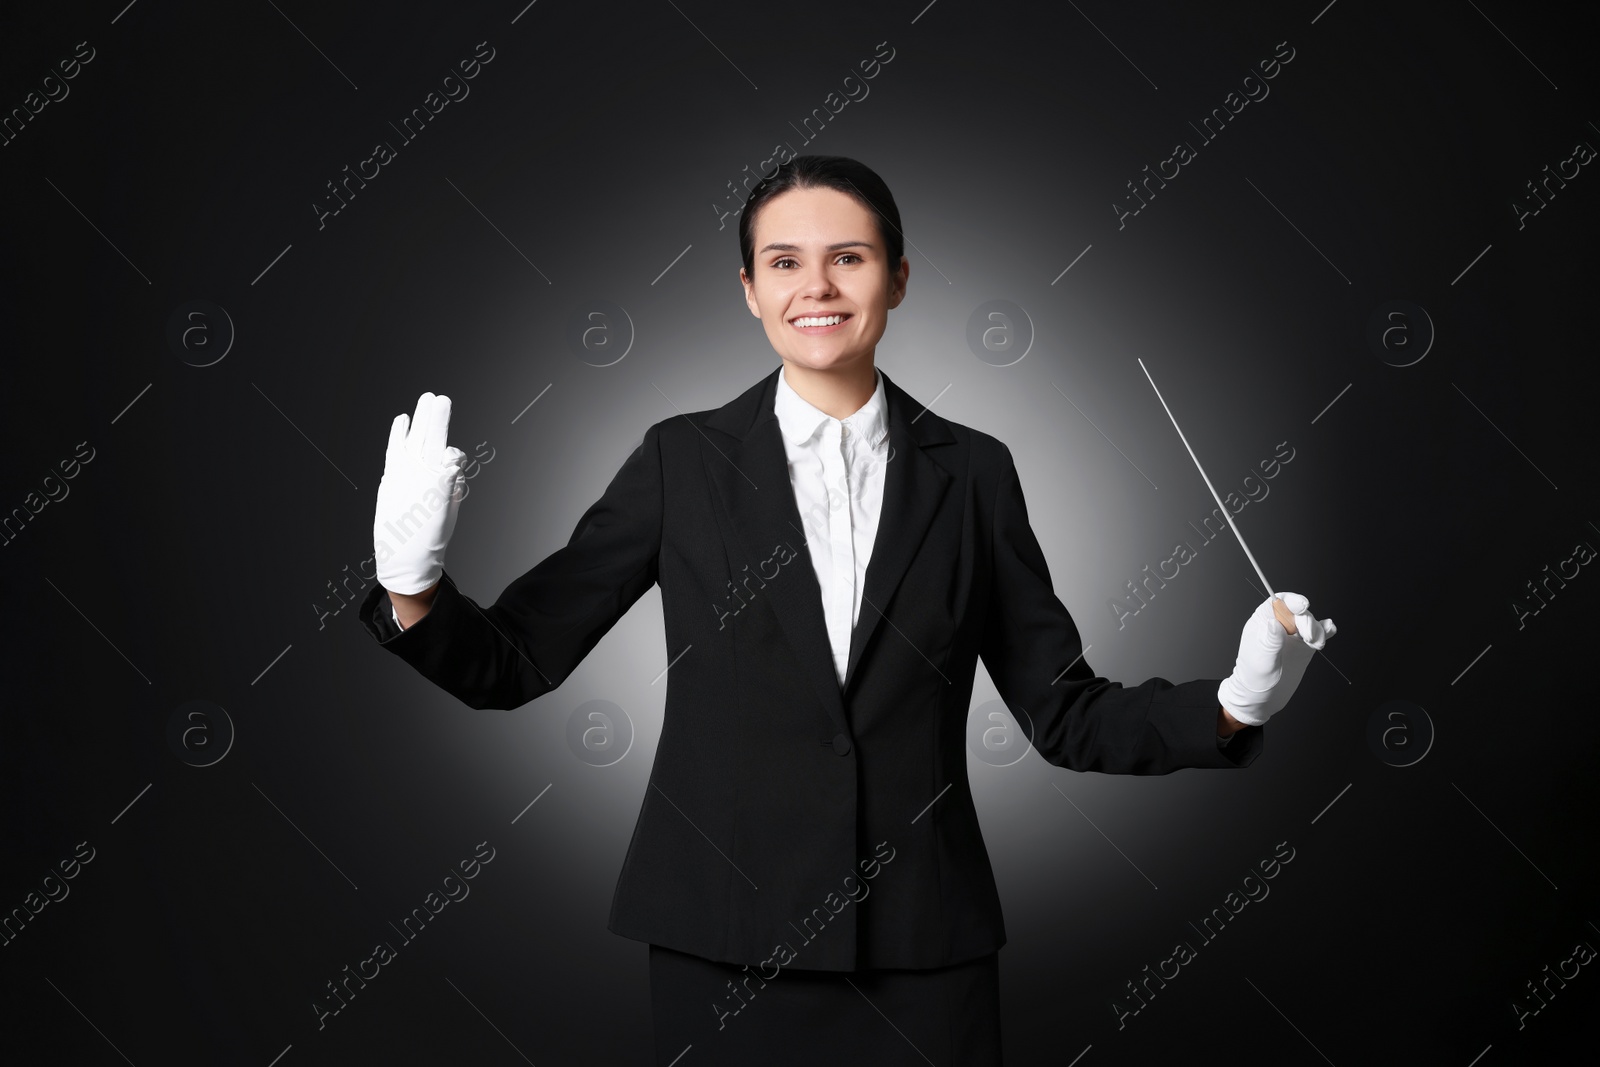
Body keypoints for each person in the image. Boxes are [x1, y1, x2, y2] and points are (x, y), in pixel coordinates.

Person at [357, 155, 1335, 1065]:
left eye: (847, 258)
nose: (815, 287)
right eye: (783, 261)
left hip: (925, 947)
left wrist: (1235, 699)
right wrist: (415, 586)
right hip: (720, 942)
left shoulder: (975, 472)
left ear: (897, 279)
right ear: (748, 291)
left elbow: (1064, 710)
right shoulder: (678, 461)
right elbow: (517, 659)